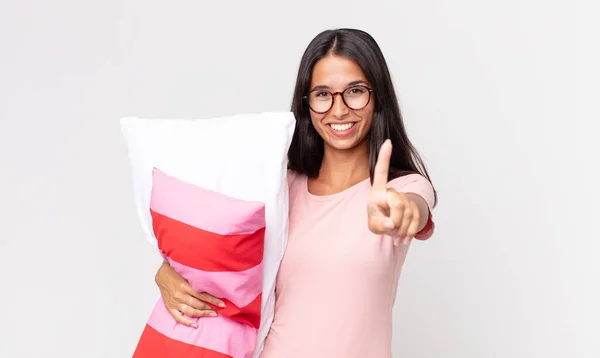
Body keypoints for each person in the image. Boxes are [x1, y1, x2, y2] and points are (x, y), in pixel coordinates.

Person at [154, 28, 437, 357]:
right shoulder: (276, 188)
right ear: (306, 103)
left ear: (378, 97)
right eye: (322, 94)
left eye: (355, 91)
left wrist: (402, 213)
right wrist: (165, 274)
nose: (339, 109)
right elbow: (216, 260)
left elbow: (414, 211)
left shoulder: (403, 189)